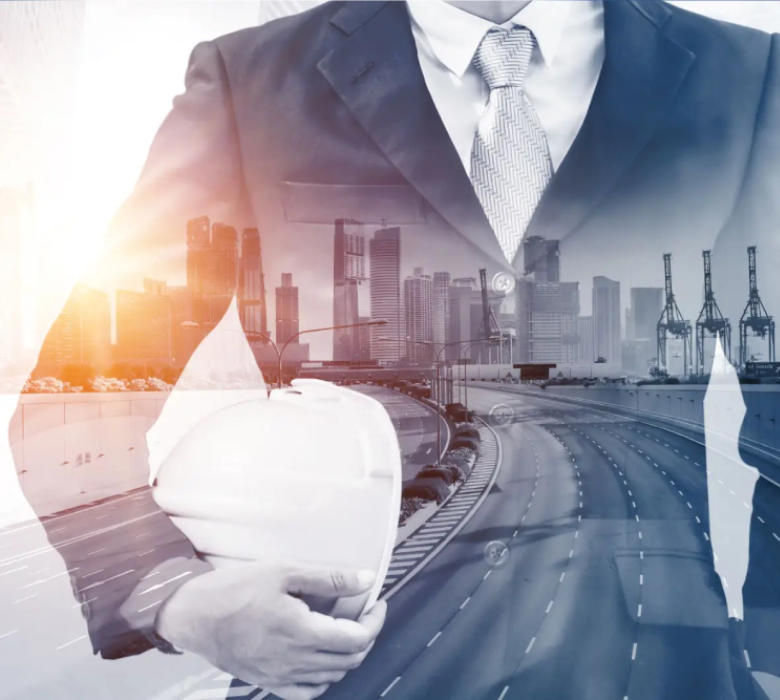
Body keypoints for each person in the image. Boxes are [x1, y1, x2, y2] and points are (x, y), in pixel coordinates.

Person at [12, 1, 780, 699]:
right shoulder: (248, 85)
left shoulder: (746, 76)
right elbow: (75, 397)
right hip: (353, 672)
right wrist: (172, 596)